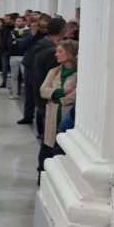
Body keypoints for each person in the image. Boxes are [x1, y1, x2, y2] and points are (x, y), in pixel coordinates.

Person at [38, 40, 78, 173]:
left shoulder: (80, 74)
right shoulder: (54, 72)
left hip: (67, 118)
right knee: (46, 153)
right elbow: (43, 91)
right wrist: (62, 92)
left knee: (62, 154)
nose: (56, 54)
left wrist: (57, 97)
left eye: (60, 51)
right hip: (52, 118)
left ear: (70, 53)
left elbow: (76, 95)